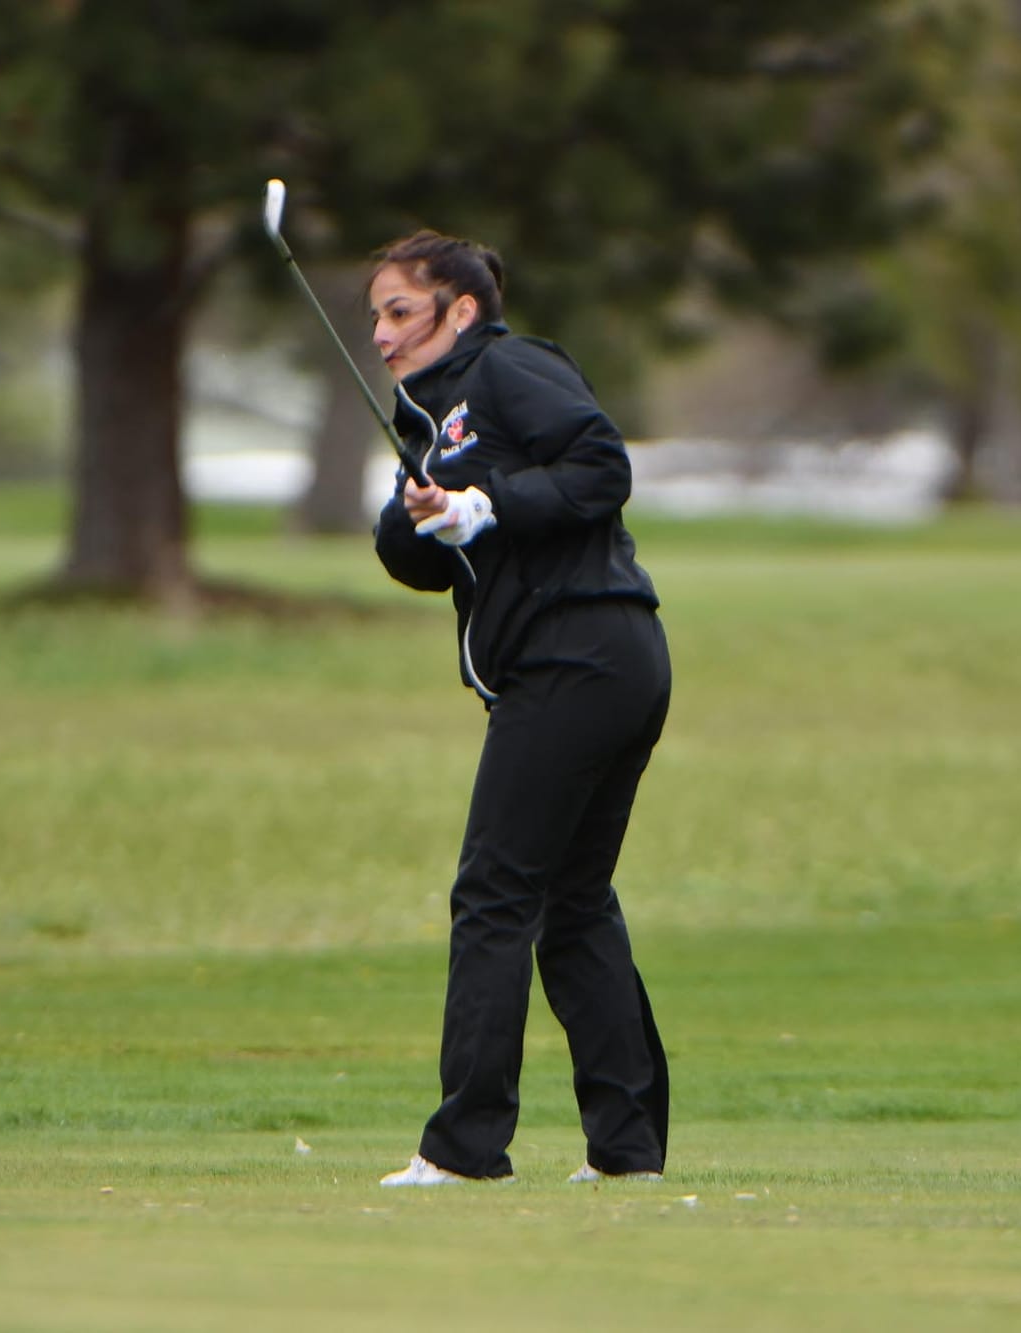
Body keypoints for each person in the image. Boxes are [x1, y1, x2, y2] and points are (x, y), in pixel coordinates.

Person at [367, 230, 671, 1187]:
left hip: (579, 654)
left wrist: (485, 503)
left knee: (495, 894)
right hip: (600, 660)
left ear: (462, 310)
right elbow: (409, 552)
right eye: (374, 316)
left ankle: (463, 1150)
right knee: (571, 904)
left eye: (400, 311)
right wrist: (427, 517)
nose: (381, 334)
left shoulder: (510, 367)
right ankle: (628, 1155)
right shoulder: (433, 415)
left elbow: (600, 468)